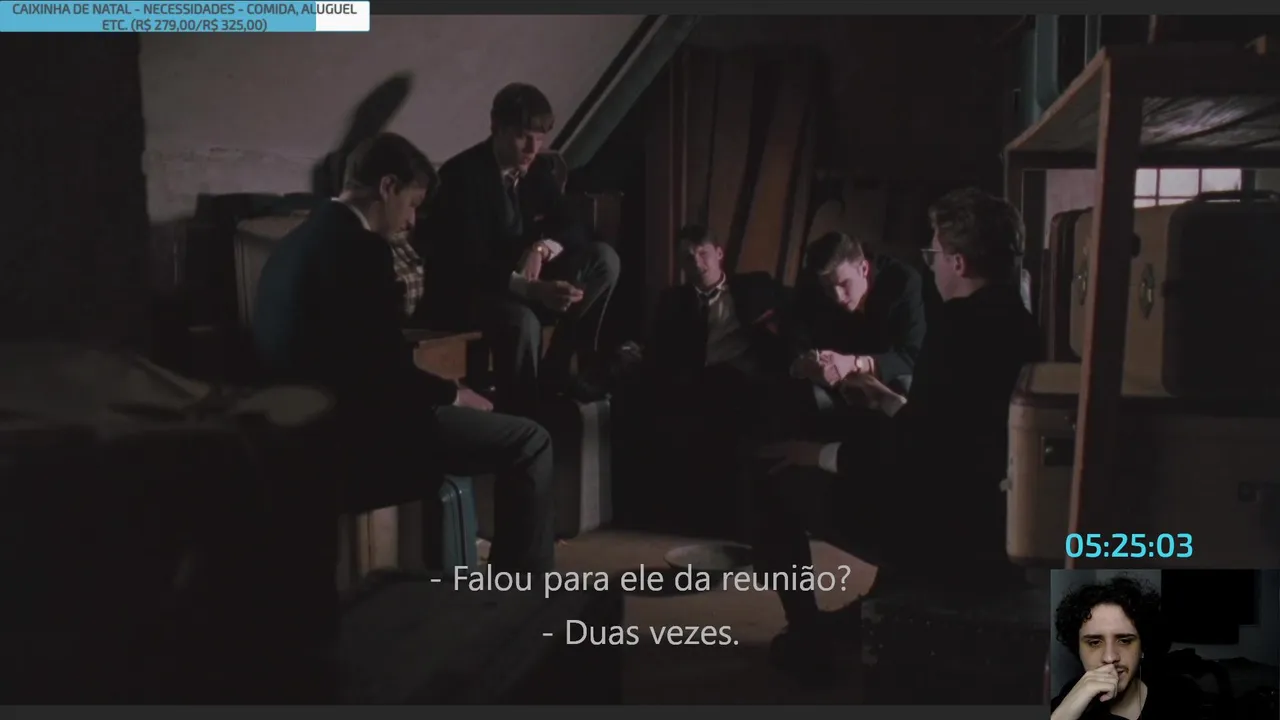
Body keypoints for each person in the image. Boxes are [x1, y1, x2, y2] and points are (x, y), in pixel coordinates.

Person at [753, 187, 1043, 680]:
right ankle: (879, 601)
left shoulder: (956, 327)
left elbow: (911, 456)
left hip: (947, 528)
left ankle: (807, 637)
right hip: (990, 514)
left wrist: (817, 454)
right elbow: (947, 429)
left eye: (935, 254)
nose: (932, 267)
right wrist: (886, 400)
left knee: (773, 481)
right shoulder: (1021, 322)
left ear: (958, 262)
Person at [252, 132, 556, 572]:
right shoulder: (362, 250)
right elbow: (383, 374)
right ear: (388, 187)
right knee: (531, 440)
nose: (412, 220)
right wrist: (452, 393)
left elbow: (361, 356)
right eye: (412, 204)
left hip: (292, 435)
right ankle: (521, 594)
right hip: (356, 437)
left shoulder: (290, 245)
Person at [422, 82, 621, 416]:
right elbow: (468, 263)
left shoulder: (537, 170)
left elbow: (574, 226)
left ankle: (559, 368)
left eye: (539, 139)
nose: (532, 148)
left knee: (604, 259)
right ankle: (524, 416)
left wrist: (541, 249)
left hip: (527, 282)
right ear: (496, 128)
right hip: (473, 290)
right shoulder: (461, 175)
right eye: (522, 137)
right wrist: (532, 289)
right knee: (522, 321)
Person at [771, 232, 926, 438]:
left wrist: (855, 363)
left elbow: (911, 356)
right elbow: (793, 331)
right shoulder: (813, 284)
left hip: (882, 376)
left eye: (844, 284)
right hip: (831, 379)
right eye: (828, 288)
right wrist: (803, 363)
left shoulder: (903, 283)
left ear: (864, 269)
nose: (837, 297)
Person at [1051, 577, 1200, 719]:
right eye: (1094, 643)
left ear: (1142, 647)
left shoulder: (1182, 697)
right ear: (1078, 648)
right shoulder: (1067, 700)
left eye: (1124, 641)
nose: (1110, 657)